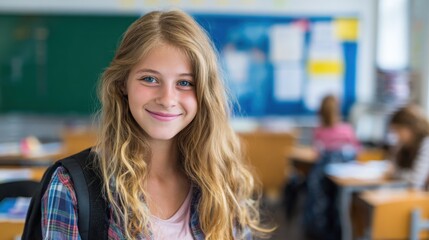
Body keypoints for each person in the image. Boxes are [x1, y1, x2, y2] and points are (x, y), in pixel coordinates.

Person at [40, 10, 270, 239]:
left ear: (203, 92)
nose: (167, 99)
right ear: (122, 84)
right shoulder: (69, 187)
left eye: (184, 82)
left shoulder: (222, 181)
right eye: (149, 79)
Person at [388, 104, 429, 189]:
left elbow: (415, 182)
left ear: (411, 127)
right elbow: (392, 171)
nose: (397, 135)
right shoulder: (403, 145)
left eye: (399, 130)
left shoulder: (426, 143)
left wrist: (398, 174)